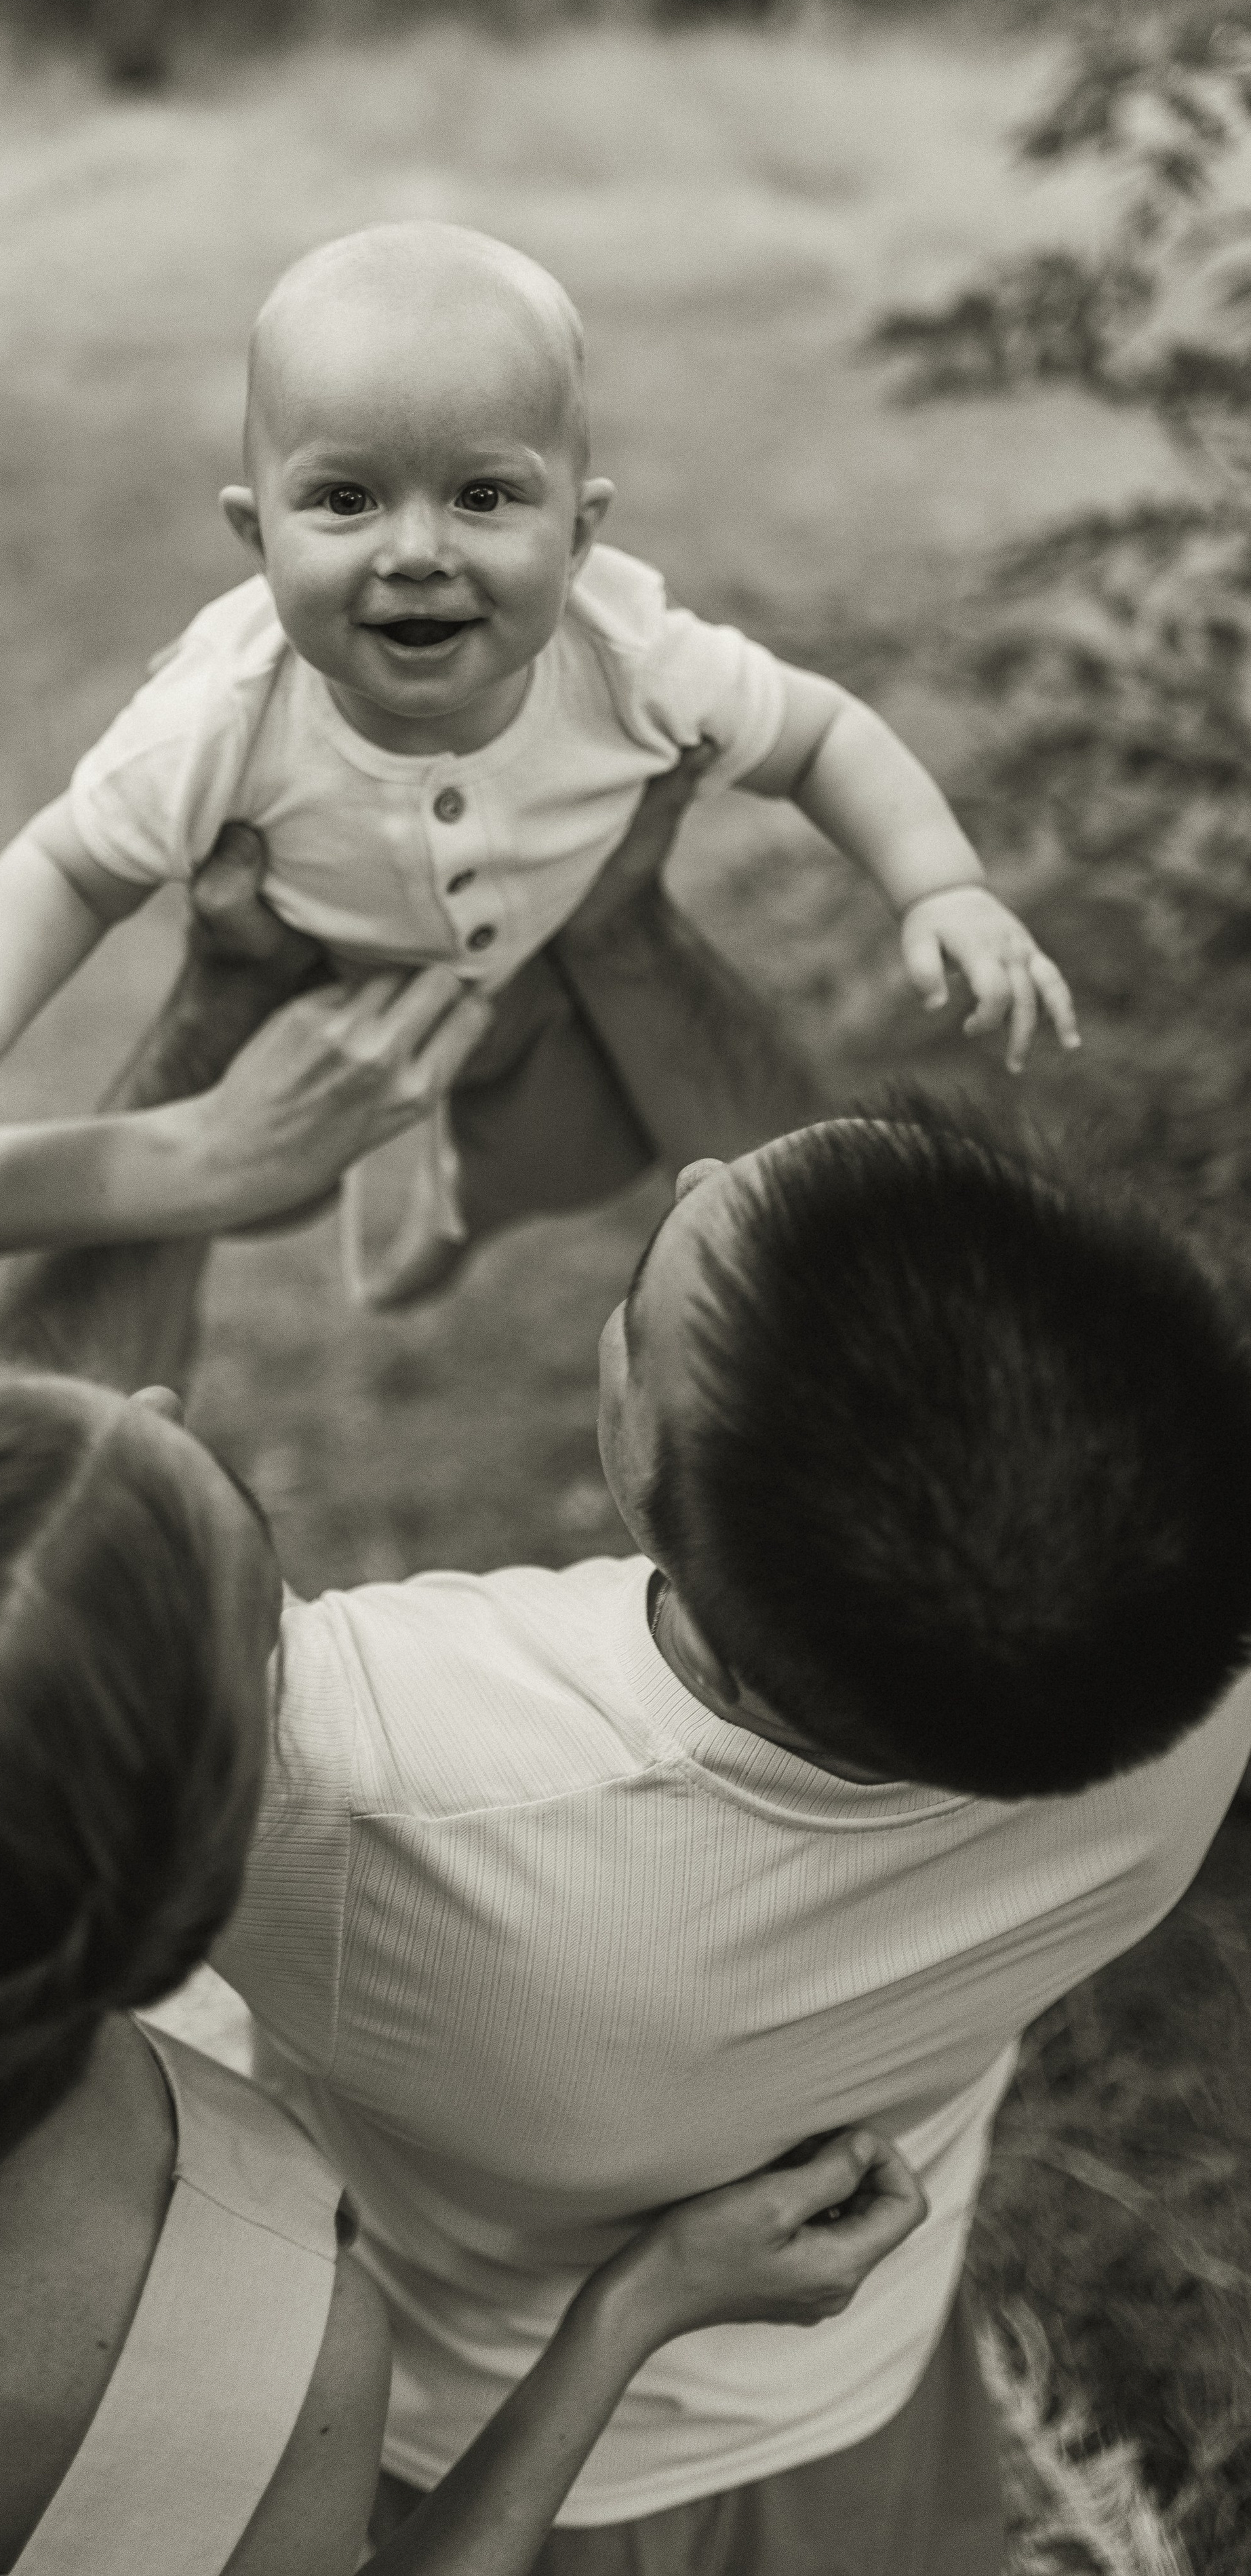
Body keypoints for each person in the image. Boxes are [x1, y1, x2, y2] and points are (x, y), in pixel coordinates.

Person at [0, 975, 926, 2576]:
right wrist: (633, 2309)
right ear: (186, 1901)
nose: (154, 1401)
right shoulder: (242, 2329)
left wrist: (192, 1150)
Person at [119, 1091, 1246, 2573]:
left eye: (637, 1298)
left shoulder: (363, 1779)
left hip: (480, 2461)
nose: (696, 1160)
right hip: (857, 2373)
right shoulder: (1190, 1677)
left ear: (643, 1475)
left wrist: (174, 1135)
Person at [0, 221, 1079, 1310]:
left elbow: (820, 735)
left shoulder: (630, 653)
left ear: (580, 534)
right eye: (346, 500)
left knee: (574, 1151)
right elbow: (69, 867)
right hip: (311, 990)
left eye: (484, 495)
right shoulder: (221, 712)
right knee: (256, 1188)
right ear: (254, 537)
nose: (417, 551)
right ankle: (367, 1200)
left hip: (535, 989)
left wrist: (940, 886)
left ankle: (457, 1213)